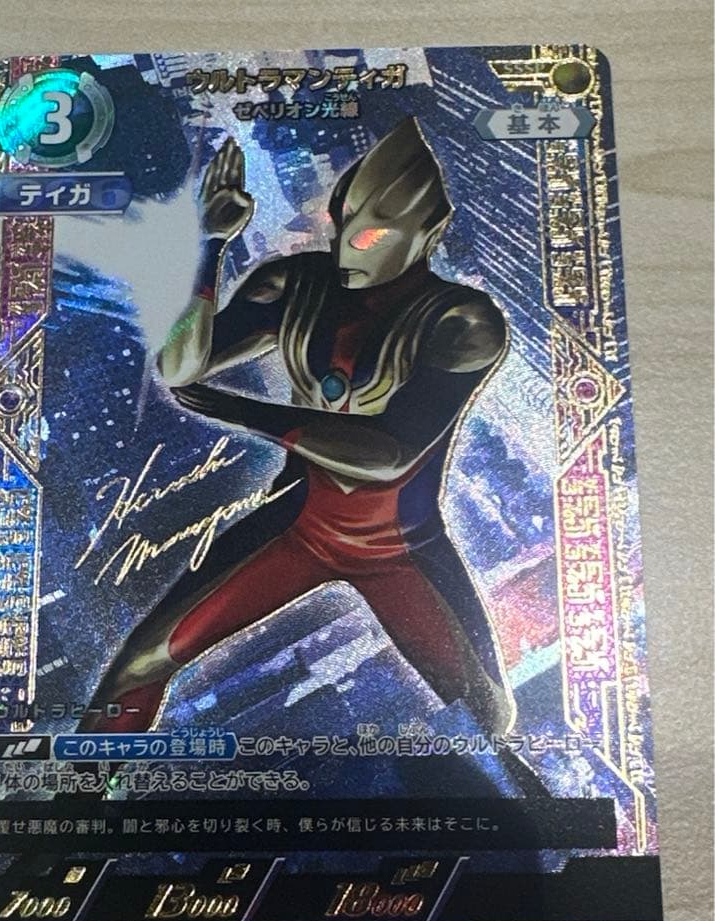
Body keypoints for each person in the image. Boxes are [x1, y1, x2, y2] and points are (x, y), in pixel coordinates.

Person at [80, 116, 515, 738]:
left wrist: (243, 411)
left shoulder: (462, 323)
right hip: (297, 524)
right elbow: (180, 367)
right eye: (343, 229)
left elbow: (388, 456)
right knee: (139, 665)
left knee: (492, 717)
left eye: (372, 236)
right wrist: (213, 244)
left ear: (427, 233)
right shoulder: (295, 284)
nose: (348, 252)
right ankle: (86, 785)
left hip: (399, 546)